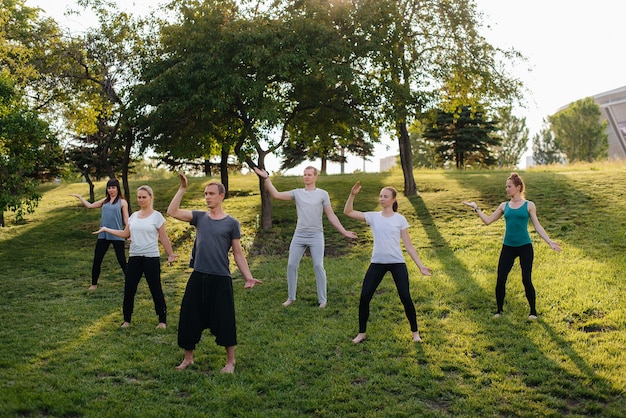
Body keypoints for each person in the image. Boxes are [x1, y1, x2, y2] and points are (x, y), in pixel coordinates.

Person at [167, 172, 262, 374]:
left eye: (211, 193)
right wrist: (182, 189)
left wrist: (248, 276)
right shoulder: (200, 218)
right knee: (189, 316)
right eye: (205, 194)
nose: (207, 197)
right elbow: (172, 211)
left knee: (224, 319)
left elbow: (237, 253)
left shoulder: (231, 223)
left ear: (221, 196)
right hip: (198, 276)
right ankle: (188, 359)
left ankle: (230, 362)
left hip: (220, 278)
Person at [253, 165, 357, 308]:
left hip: (316, 235)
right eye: (304, 174)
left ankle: (323, 300)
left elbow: (331, 215)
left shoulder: (322, 194)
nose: (306, 177)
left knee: (318, 265)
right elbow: (276, 195)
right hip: (299, 235)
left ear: (315, 177)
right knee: (291, 265)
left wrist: (344, 231)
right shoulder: (297, 193)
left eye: (309, 174)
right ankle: (291, 297)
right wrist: (266, 178)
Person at [462, 172, 561, 320]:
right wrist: (476, 208)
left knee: (526, 279)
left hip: (525, 247)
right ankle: (499, 311)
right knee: (501, 279)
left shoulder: (529, 205)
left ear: (518, 187)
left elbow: (537, 226)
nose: (506, 189)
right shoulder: (504, 205)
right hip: (508, 247)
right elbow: (488, 221)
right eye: (506, 186)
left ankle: (533, 312)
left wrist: (549, 241)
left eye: (509, 186)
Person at [343, 181, 432, 344]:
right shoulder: (373, 217)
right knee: (365, 296)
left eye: (385, 196)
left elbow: (409, 246)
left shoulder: (400, 219)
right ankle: (361, 333)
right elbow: (348, 212)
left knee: (405, 296)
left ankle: (415, 333)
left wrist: (420, 265)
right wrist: (352, 195)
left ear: (393, 200)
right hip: (377, 263)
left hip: (397, 263)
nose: (382, 199)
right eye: (380, 196)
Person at [95, 185, 178, 329]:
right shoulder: (134, 216)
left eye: (144, 197)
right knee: (129, 289)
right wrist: (106, 229)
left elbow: (164, 237)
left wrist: (170, 254)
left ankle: (162, 321)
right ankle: (127, 320)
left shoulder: (157, 216)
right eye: (139, 197)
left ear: (150, 198)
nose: (141, 200)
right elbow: (126, 234)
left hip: (151, 257)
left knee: (155, 288)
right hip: (134, 257)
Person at [71, 178, 129, 290]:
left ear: (117, 189)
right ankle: (93, 284)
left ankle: (130, 282)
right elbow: (90, 206)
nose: (111, 190)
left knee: (122, 260)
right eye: (109, 188)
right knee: (97, 259)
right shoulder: (105, 201)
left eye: (113, 187)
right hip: (103, 235)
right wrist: (80, 197)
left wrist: (128, 232)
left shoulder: (122, 202)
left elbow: (126, 219)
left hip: (117, 234)